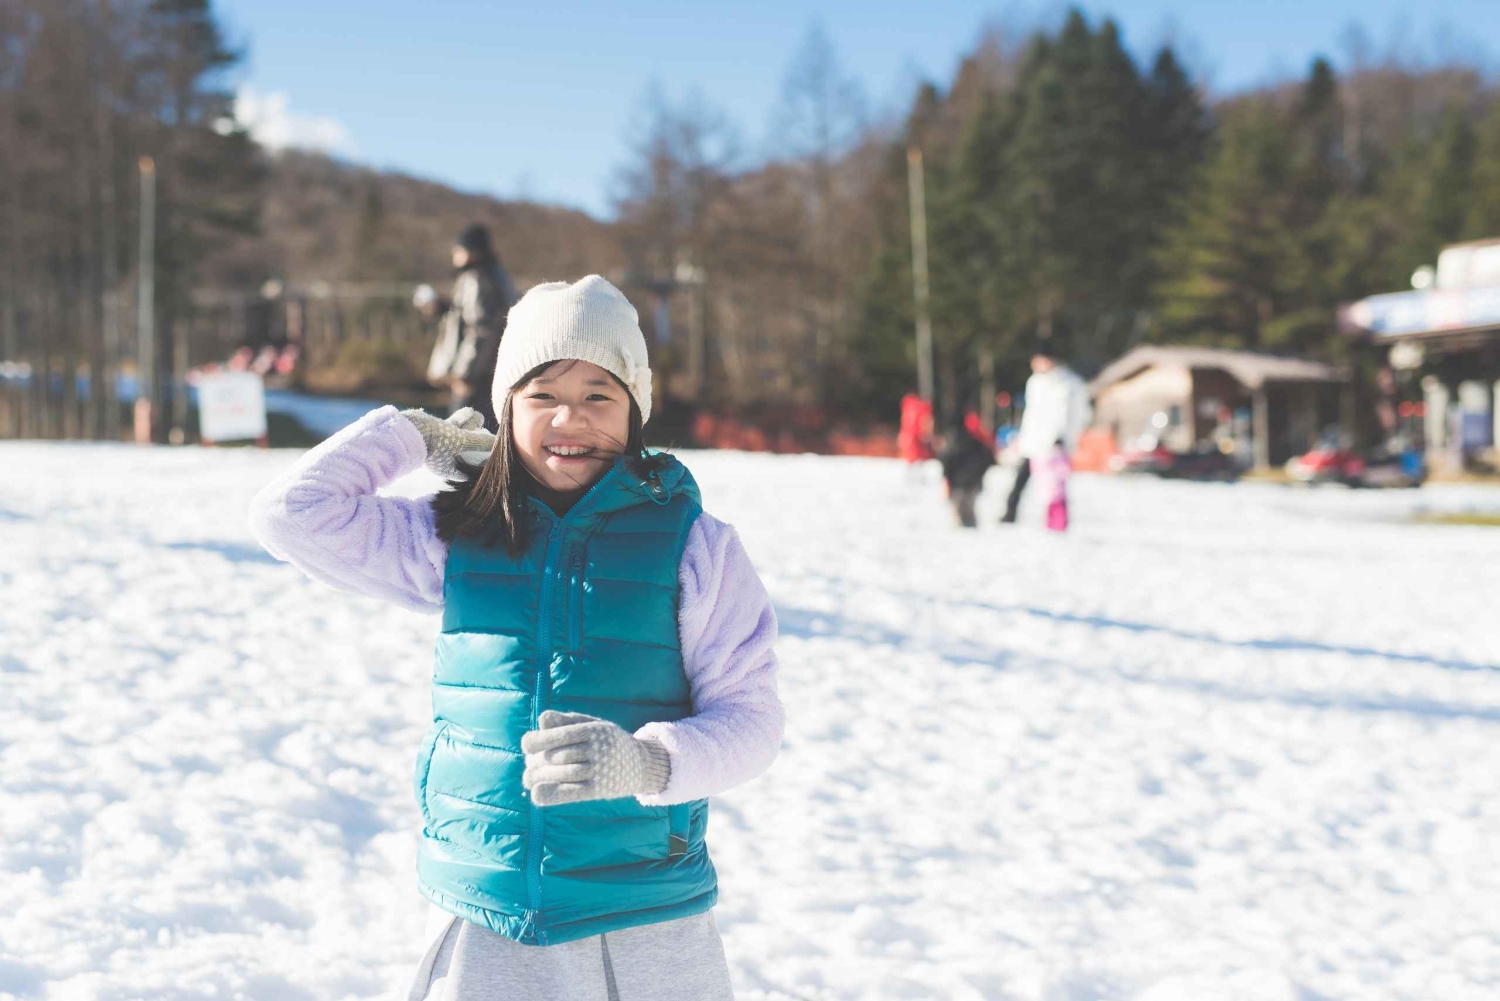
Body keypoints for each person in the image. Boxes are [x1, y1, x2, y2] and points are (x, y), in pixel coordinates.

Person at [250, 276, 782, 1000]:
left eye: (600, 394)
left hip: (645, 917)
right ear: (505, 410)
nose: (571, 417)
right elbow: (291, 513)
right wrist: (412, 433)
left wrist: (649, 762)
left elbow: (753, 721)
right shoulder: (455, 537)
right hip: (489, 914)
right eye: (541, 394)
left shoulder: (699, 549)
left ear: (636, 410)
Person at [426, 223, 518, 429]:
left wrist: (466, 375)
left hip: (477, 376)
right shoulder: (495, 274)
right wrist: (445, 309)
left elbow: (481, 329)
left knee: (462, 436)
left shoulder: (476, 278)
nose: (454, 255)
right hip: (492, 371)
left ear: (471, 251)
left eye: (458, 249)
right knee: (486, 433)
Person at [1001, 346, 1091, 524]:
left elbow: (1072, 414)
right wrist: (1024, 437)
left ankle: (1057, 522)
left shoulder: (1067, 383)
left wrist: (1062, 436)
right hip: (1034, 442)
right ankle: (1011, 513)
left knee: (1055, 485)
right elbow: (1032, 414)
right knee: (1027, 480)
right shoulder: (1035, 382)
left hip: (1056, 443)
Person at [938, 411, 995, 528]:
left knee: (962, 515)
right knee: (966, 513)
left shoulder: (954, 442)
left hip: (962, 485)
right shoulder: (979, 444)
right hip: (967, 485)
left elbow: (946, 463)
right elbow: (989, 461)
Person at [1040, 439, 1072, 532]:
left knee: (1058, 509)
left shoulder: (1060, 457)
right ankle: (1052, 525)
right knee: (1053, 509)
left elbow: (1066, 471)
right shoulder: (1052, 458)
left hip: (1058, 491)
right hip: (1053, 490)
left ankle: (1059, 525)